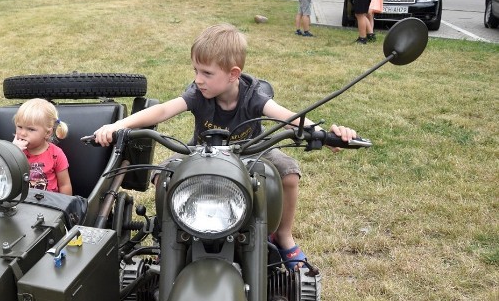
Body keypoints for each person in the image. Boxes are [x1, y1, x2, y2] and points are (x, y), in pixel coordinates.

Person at [93, 23, 357, 269]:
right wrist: (118, 126)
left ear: (233, 75)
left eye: (207, 73)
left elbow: (286, 117)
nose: (198, 79)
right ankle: (171, 237)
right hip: (201, 151)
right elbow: (163, 110)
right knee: (163, 177)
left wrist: (320, 132)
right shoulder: (198, 94)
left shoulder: (253, 96)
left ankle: (284, 235)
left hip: (252, 152)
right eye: (196, 71)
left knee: (288, 171)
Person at [12, 99, 72, 195]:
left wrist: (66, 207)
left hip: (48, 205)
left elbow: (64, 185)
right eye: (19, 127)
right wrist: (13, 152)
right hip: (21, 203)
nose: (22, 133)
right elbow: (3, 176)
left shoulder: (56, 154)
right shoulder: (13, 150)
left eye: (31, 129)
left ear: (47, 133)